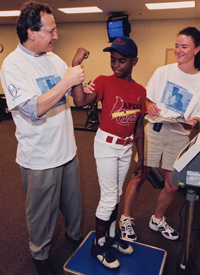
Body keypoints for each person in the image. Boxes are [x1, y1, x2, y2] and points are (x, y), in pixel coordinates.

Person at [0, 1, 89, 274]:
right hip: (40, 157)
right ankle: (40, 255)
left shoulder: (55, 60)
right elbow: (33, 108)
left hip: (67, 151)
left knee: (73, 207)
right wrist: (67, 79)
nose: (56, 36)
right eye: (51, 31)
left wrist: (74, 72)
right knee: (42, 214)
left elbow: (74, 97)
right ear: (31, 32)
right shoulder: (13, 65)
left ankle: (74, 239)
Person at [119, 27, 200, 243]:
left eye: (184, 47)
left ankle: (157, 218)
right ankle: (125, 218)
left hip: (179, 135)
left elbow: (199, 115)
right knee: (140, 176)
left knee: (173, 184)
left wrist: (195, 121)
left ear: (197, 49)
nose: (178, 50)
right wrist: (149, 104)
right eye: (176, 46)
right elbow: (146, 99)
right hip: (154, 130)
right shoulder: (163, 72)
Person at [71, 37, 147, 270]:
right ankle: (99, 244)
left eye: (122, 61)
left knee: (115, 195)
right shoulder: (104, 81)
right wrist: (75, 65)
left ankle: (112, 237)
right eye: (112, 60)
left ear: (134, 61)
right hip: (106, 145)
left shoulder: (140, 90)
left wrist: (141, 156)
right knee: (108, 197)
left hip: (125, 148)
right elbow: (80, 100)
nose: (116, 65)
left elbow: (138, 125)